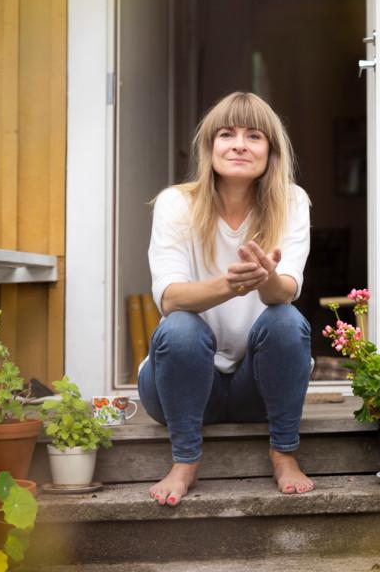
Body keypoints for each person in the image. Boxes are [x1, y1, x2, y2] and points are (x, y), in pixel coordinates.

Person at [139, 91, 313, 506]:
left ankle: (284, 453)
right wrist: (230, 285)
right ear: (210, 147)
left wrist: (265, 278)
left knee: (287, 319)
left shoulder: (291, 200)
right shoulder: (175, 203)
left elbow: (285, 289)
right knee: (179, 326)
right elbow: (170, 299)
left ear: (270, 151)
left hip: (258, 388)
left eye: (254, 136)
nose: (238, 144)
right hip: (182, 387)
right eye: (226, 134)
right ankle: (184, 461)